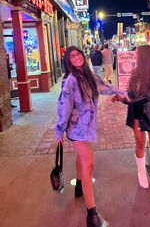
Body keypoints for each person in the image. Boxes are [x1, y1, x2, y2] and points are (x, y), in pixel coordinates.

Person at [55, 46, 125, 227]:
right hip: (76, 129)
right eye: (72, 56)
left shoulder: (89, 76)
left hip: (87, 128)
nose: (76, 57)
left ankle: (79, 185)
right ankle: (92, 214)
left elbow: (105, 86)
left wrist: (122, 92)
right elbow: (64, 107)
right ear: (68, 61)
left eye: (78, 53)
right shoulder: (70, 81)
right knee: (89, 163)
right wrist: (59, 131)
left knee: (81, 157)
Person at [112, 44, 150, 189]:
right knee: (139, 143)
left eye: (137, 54)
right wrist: (120, 96)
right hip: (136, 111)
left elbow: (148, 96)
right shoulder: (135, 72)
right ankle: (141, 171)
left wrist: (125, 99)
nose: (135, 56)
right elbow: (132, 94)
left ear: (144, 57)